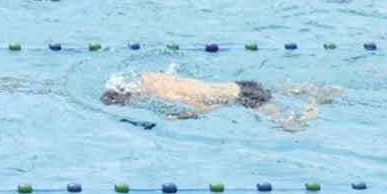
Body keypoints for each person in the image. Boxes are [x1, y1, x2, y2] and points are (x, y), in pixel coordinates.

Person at [102, 70, 339, 131]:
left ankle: (317, 101)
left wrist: (181, 115)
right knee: (269, 90)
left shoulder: (165, 96)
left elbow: (209, 106)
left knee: (292, 127)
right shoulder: (150, 77)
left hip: (245, 97)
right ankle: (304, 88)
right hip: (240, 84)